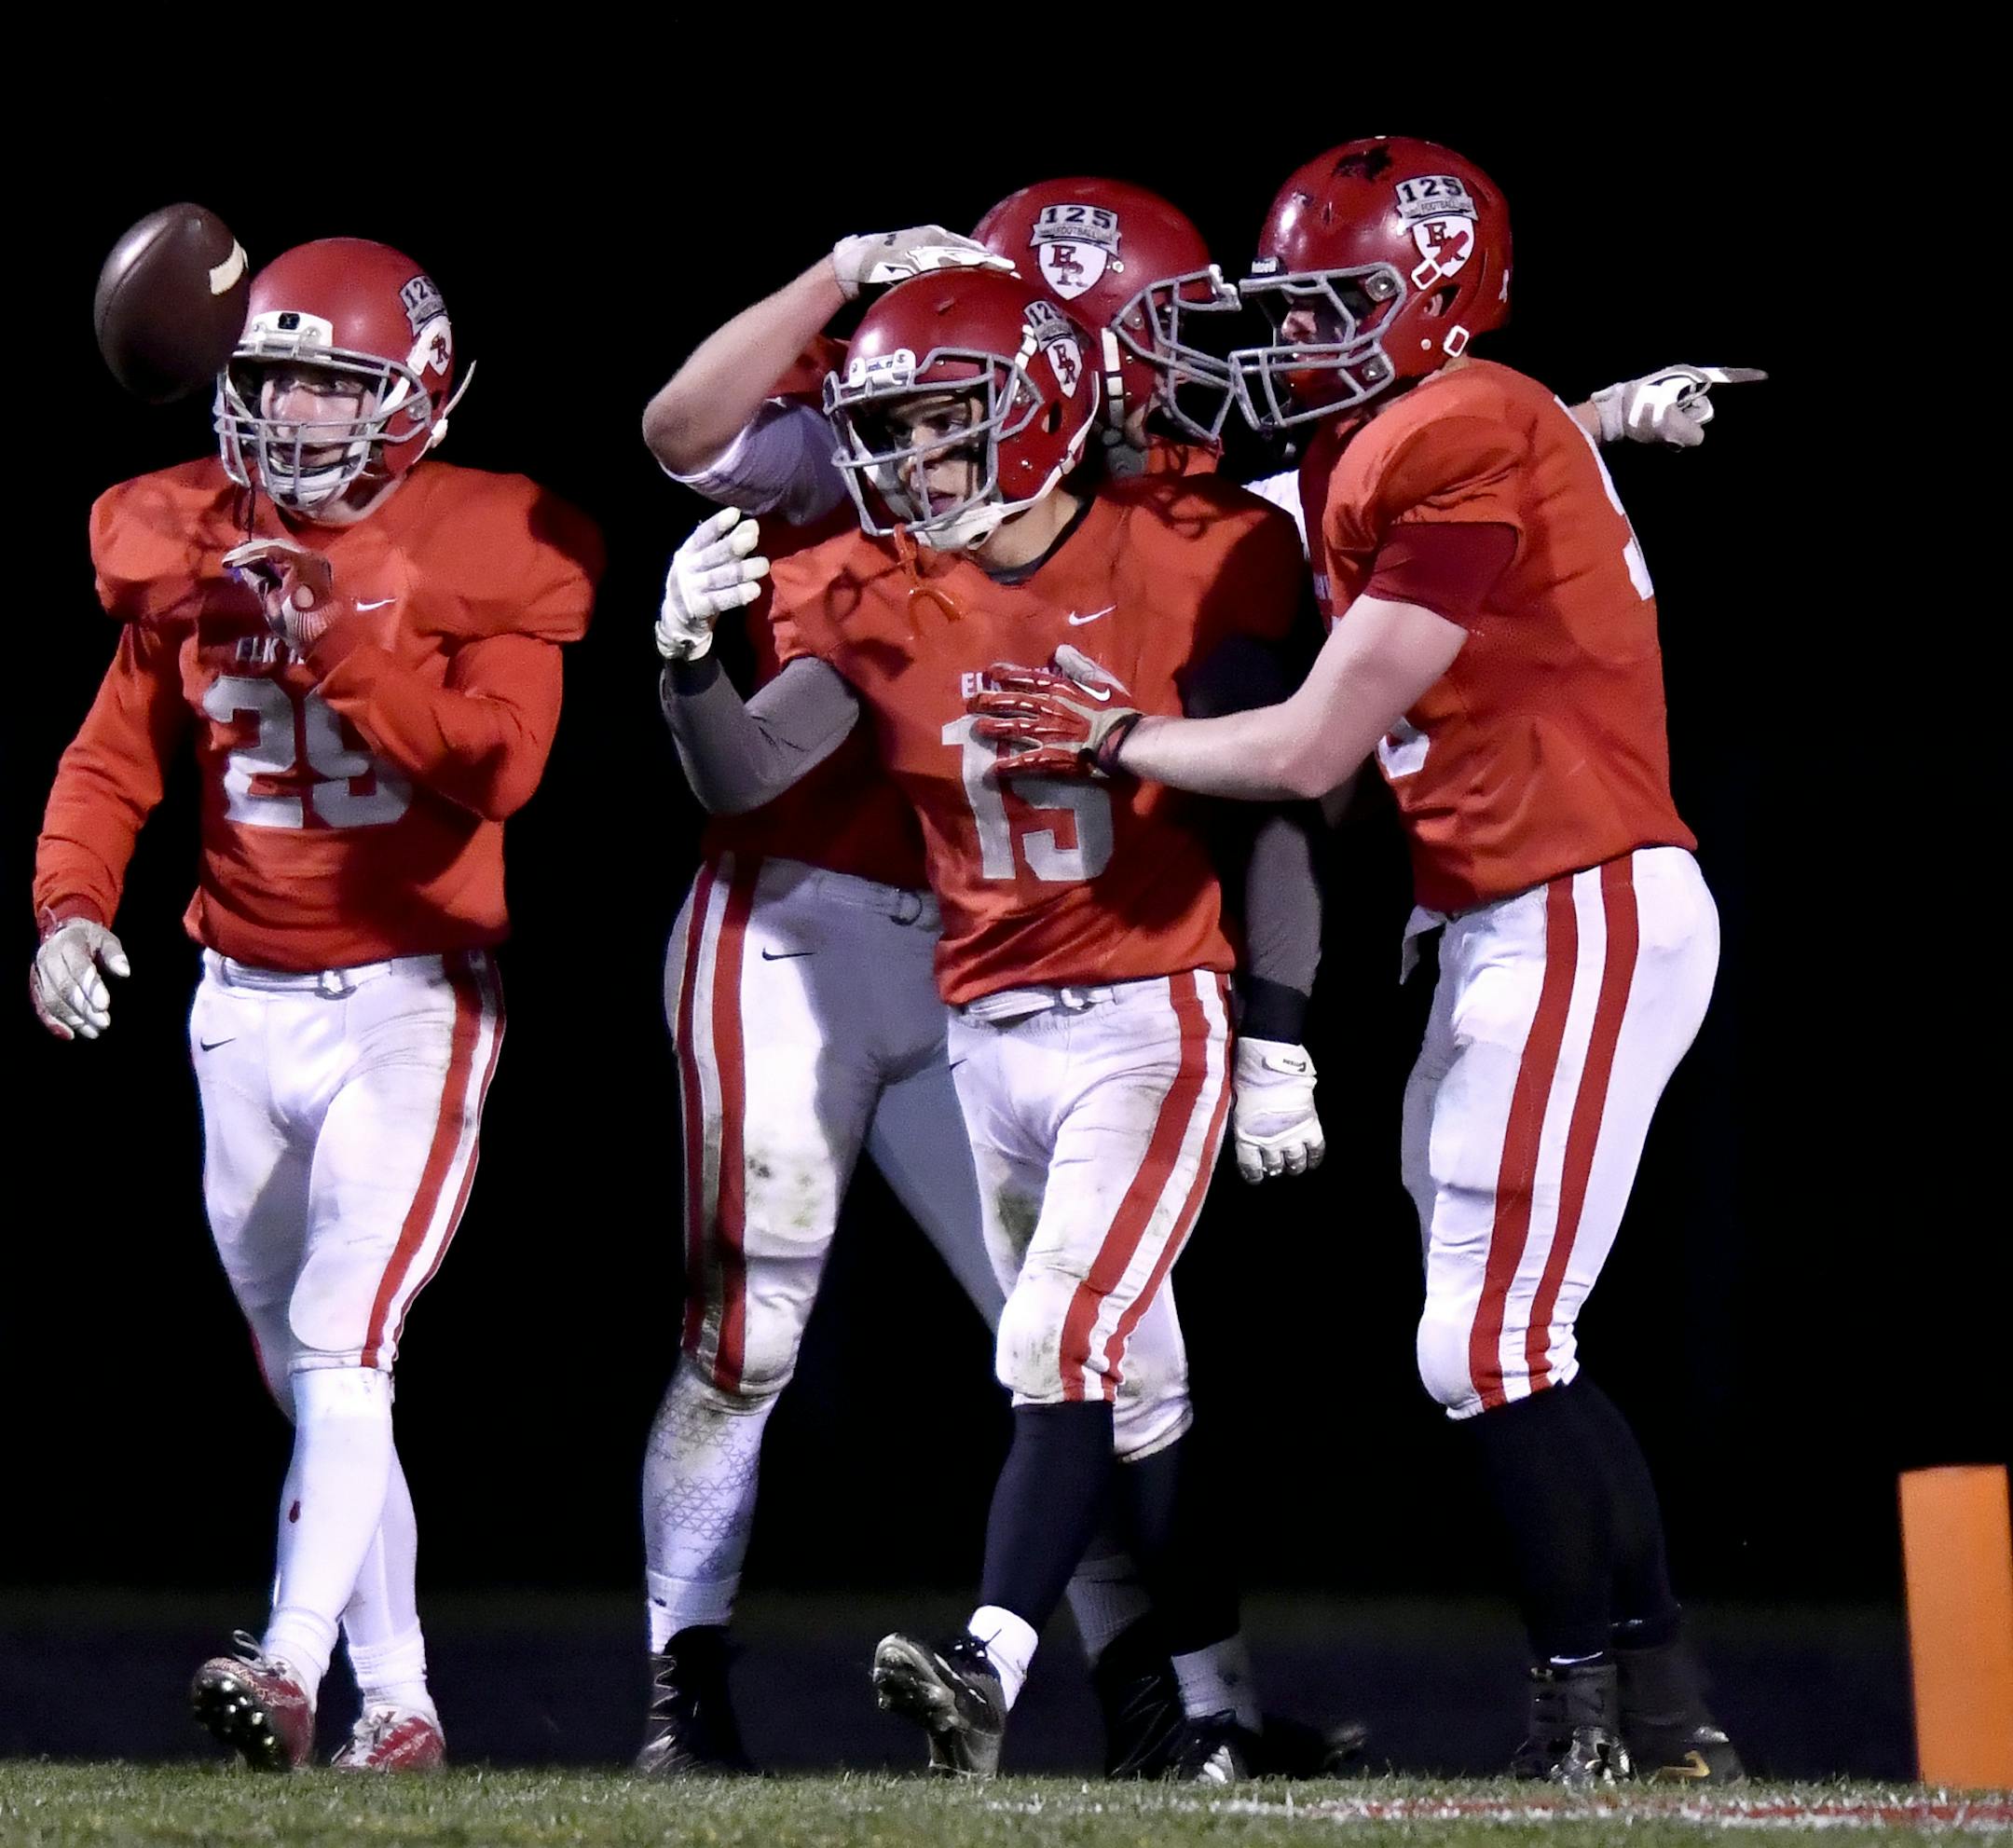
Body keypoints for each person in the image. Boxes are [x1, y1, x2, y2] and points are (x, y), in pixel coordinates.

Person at [971, 136, 1753, 1787]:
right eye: (1294, 307)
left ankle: (1585, 1712)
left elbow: (1321, 744)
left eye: (1338, 307)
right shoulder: (1405, 431)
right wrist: (1599, 418)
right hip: (1507, 908)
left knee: (1487, 1347)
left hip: (1580, 892)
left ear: (1438, 309)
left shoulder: (1452, 430)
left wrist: (1119, 733)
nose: (1294, 340)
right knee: (1511, 1339)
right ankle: (1654, 1704)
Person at [638, 222, 1327, 1781]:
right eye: (889, 432)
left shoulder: (1199, 548)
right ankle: (1193, 1724)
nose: (915, 461)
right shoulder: (886, 591)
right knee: (1098, 1370)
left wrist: (1280, 1037)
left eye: (945, 423)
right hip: (982, 1025)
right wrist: (683, 660)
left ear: (1037, 394)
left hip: (1150, 1012)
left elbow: (1285, 797)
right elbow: (746, 767)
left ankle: (1008, 1668)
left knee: (1069, 1343)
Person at [30, 238, 601, 1772]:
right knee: (318, 1383)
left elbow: (502, 768)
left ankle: (282, 1668)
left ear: (409, 398)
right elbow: (111, 761)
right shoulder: (186, 543)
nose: (285, 411)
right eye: (268, 377)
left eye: (324, 383)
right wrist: (69, 908)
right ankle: (401, 1705)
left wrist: (345, 643)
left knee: (348, 1345)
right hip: (236, 1004)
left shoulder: (487, 544)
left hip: (409, 1005)